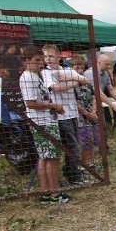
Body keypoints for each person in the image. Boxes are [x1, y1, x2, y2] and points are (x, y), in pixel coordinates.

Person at [17, 48, 69, 203]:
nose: (41, 63)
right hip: (42, 123)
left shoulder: (34, 76)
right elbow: (31, 103)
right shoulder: (27, 78)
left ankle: (46, 192)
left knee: (45, 157)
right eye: (37, 60)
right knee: (52, 157)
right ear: (26, 61)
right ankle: (55, 193)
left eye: (41, 60)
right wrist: (53, 106)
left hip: (45, 120)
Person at [42, 44, 89, 185]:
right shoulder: (46, 73)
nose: (48, 59)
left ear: (58, 56)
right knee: (71, 147)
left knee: (74, 146)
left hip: (73, 113)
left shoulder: (67, 70)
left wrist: (71, 79)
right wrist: (73, 83)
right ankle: (73, 176)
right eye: (45, 56)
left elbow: (85, 81)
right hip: (61, 116)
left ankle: (71, 172)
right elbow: (55, 88)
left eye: (50, 56)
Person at [71, 55, 98, 172]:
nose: (80, 70)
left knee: (92, 140)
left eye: (82, 68)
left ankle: (91, 163)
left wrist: (94, 111)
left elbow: (94, 97)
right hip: (80, 118)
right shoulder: (71, 85)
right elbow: (74, 102)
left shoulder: (87, 83)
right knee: (84, 141)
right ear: (71, 68)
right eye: (77, 68)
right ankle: (82, 165)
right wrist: (86, 113)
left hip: (91, 115)